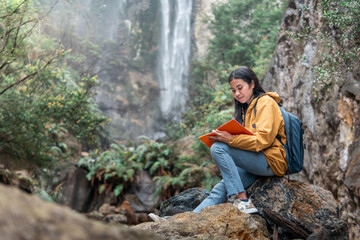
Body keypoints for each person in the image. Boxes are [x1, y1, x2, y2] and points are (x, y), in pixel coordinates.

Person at [193, 66, 287, 214]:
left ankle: (242, 201)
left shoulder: (266, 103)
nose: (237, 93)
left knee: (218, 147)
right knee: (222, 188)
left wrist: (230, 139)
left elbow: (263, 140)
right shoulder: (246, 109)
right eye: (233, 90)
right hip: (256, 161)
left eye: (240, 88)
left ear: (252, 83)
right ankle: (184, 219)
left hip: (271, 160)